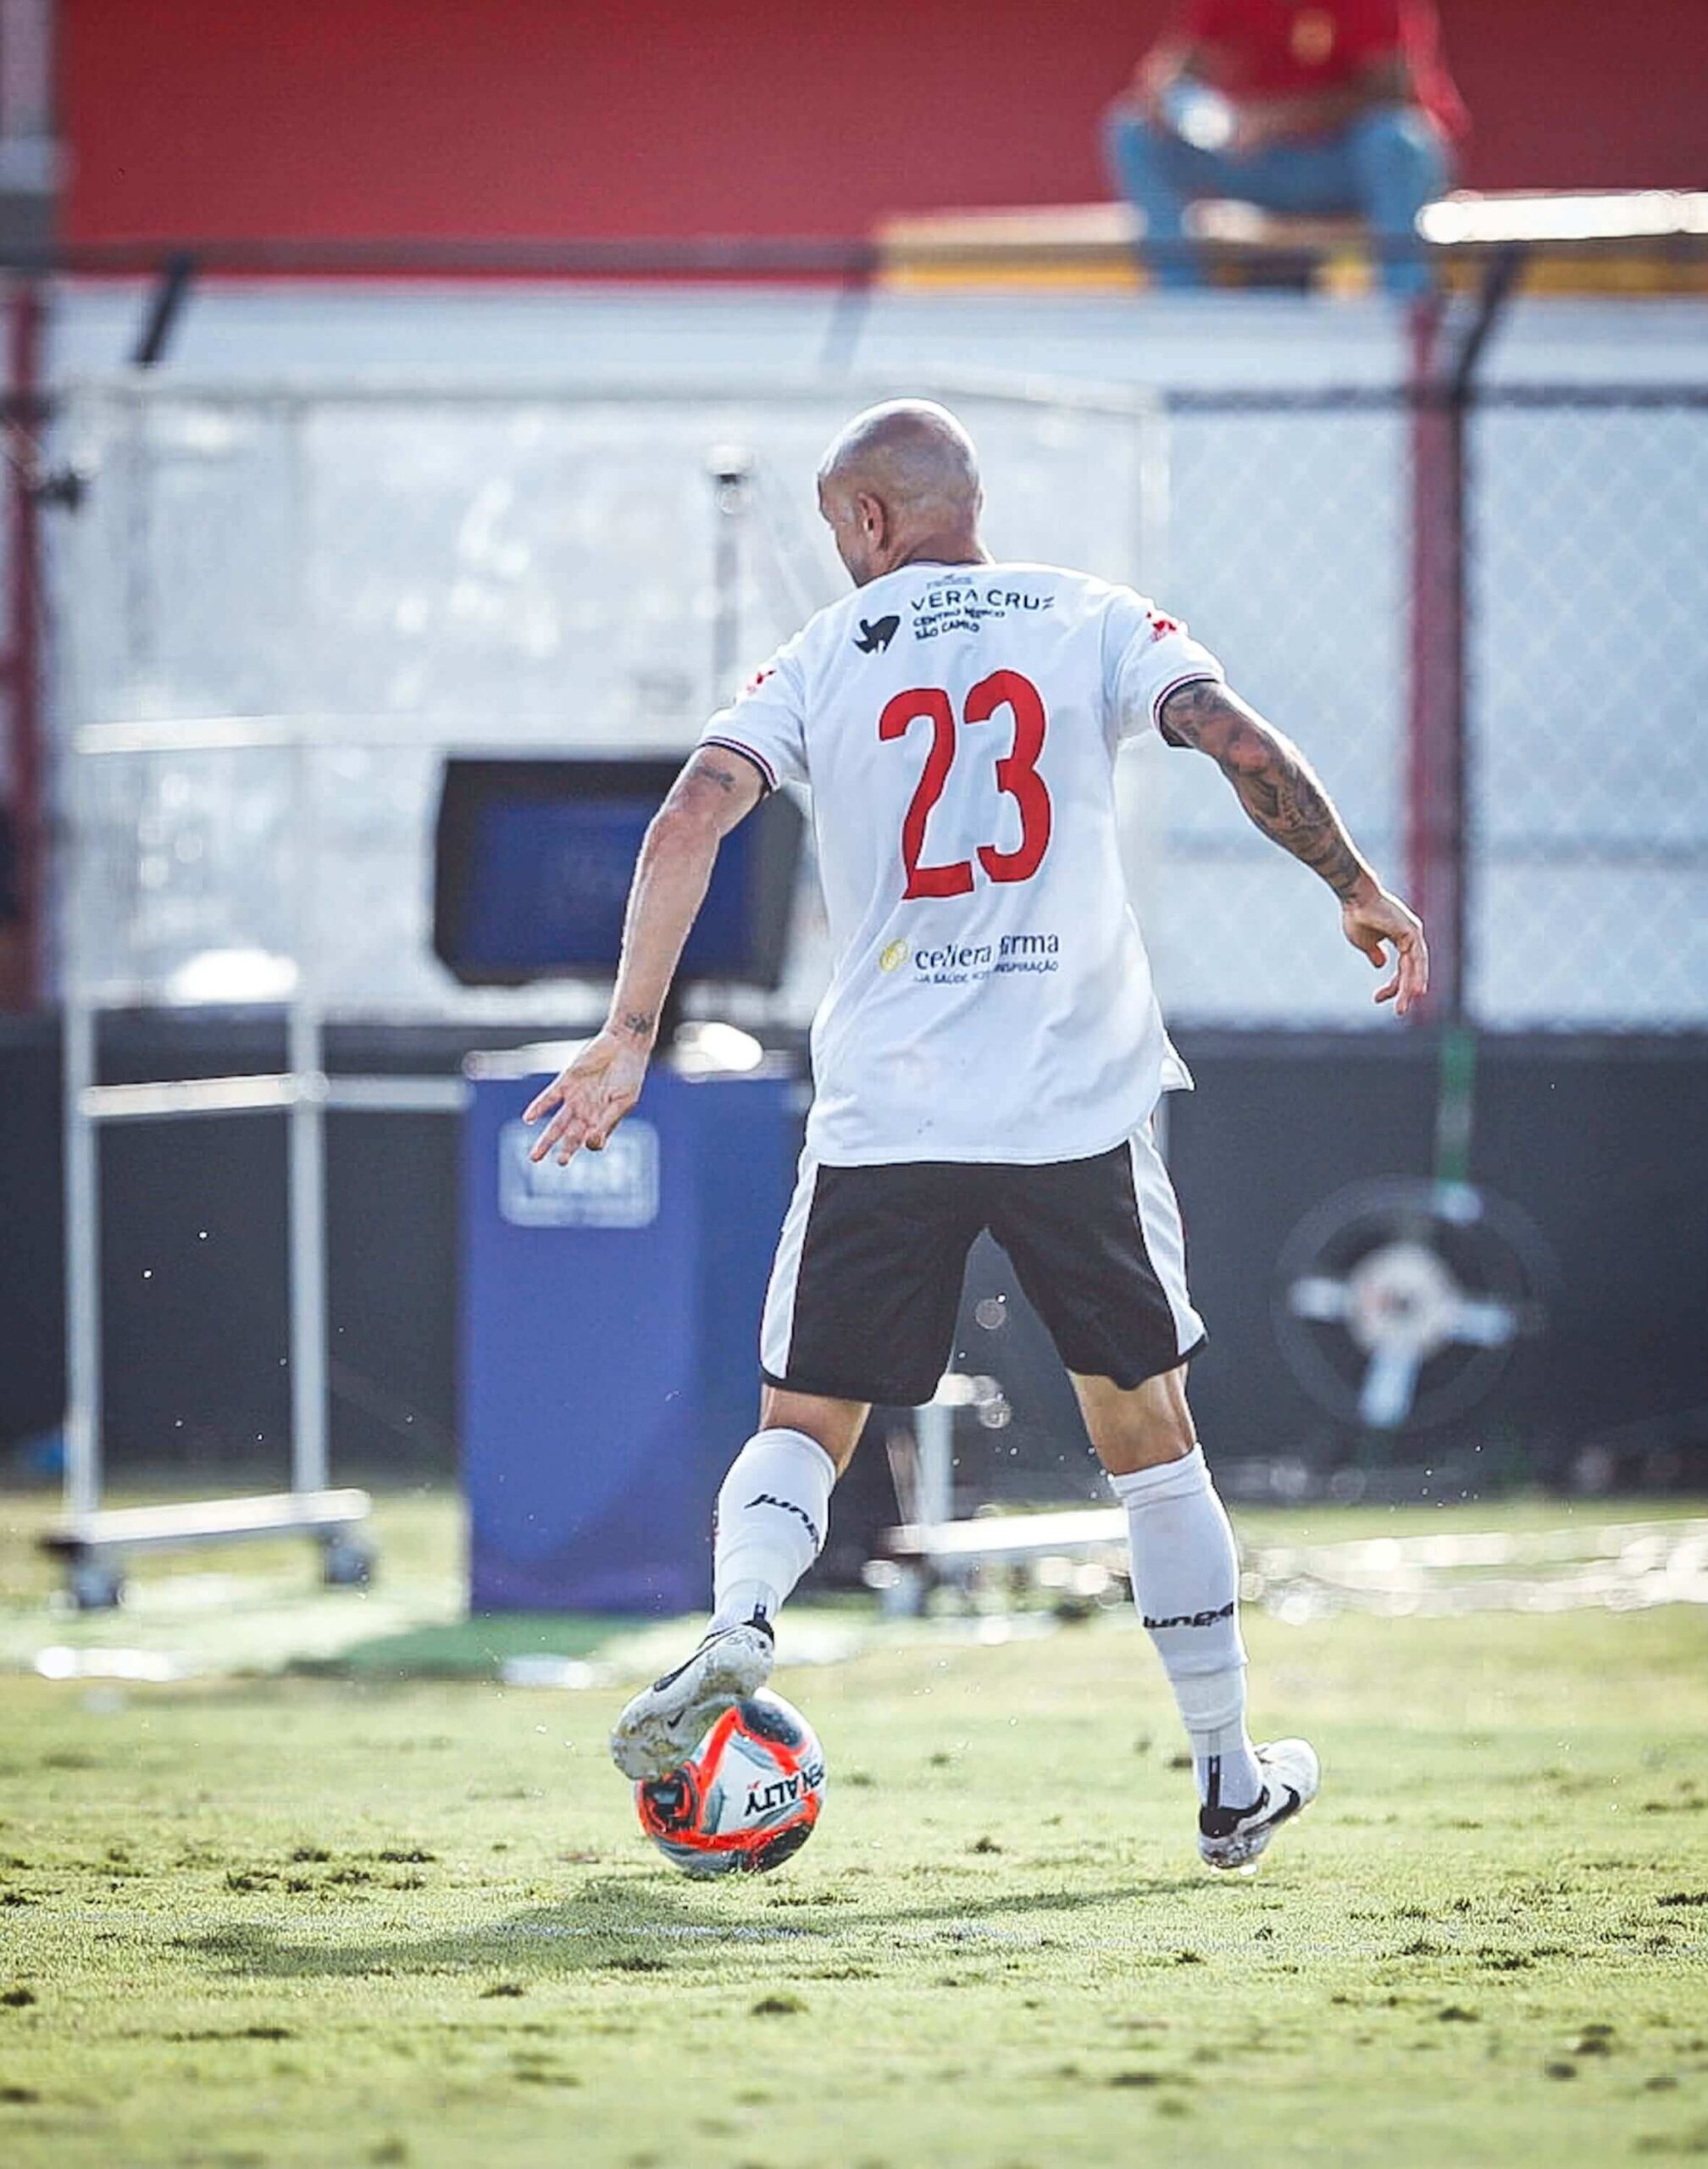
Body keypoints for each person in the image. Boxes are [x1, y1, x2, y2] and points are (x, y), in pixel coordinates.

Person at [524, 399, 1426, 1872]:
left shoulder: (824, 652)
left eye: (836, 527)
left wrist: (629, 1035)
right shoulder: (1091, 616)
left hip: (890, 1100)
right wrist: (1350, 883)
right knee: (1149, 1439)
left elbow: (691, 812)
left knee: (805, 1420)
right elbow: (1236, 738)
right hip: (1073, 1097)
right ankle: (1223, 1778)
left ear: (872, 520)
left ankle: (742, 1620)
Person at [1104, 0, 1467, 298]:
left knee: (1396, 138)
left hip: (1349, 168)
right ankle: (1185, 305)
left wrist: (1276, 119)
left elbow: (1390, 90)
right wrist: (1165, 94)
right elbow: (1183, 66)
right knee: (1134, 131)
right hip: (1262, 163)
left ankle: (1410, 311)